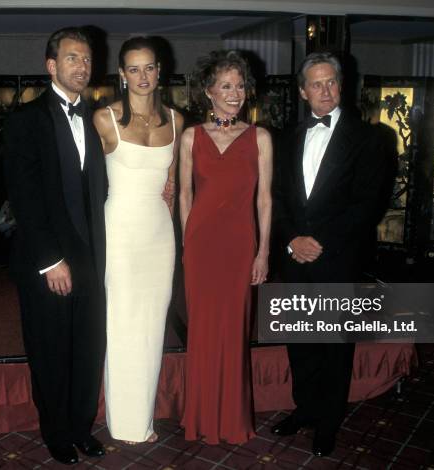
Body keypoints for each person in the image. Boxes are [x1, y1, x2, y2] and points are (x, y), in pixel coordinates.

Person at [271, 52, 388, 457]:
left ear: (342, 85)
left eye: (331, 82)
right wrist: (291, 241)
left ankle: (328, 421)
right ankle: (304, 409)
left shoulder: (372, 138)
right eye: (316, 84)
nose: (325, 90)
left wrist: (317, 243)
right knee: (300, 340)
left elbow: (367, 204)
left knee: (334, 345)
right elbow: (277, 198)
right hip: (293, 257)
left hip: (338, 257)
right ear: (303, 91)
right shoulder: (285, 137)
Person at [3, 27, 107, 465]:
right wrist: (51, 261)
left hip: (94, 258)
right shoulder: (25, 121)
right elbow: (24, 199)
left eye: (86, 59)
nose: (81, 66)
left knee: (87, 349)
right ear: (51, 66)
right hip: (48, 262)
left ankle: (81, 427)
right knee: (50, 351)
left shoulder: (102, 118)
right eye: (71, 58)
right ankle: (57, 433)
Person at [93, 37, 183, 444]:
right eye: (134, 68)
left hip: (159, 232)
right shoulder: (104, 119)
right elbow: (87, 184)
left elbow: (174, 181)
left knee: (151, 325)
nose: (142, 76)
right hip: (120, 231)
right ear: (122, 74)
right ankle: (124, 421)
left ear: (159, 71)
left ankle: (142, 417)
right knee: (122, 323)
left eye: (149, 68)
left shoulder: (177, 121)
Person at [179, 50, 273, 444]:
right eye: (225, 86)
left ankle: (231, 420)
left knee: (234, 332)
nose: (234, 93)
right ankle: (199, 418)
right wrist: (187, 245)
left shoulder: (260, 137)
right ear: (208, 90)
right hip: (201, 246)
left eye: (240, 86)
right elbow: (184, 193)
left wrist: (263, 251)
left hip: (239, 246)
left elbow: (265, 199)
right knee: (201, 331)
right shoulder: (191, 136)